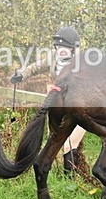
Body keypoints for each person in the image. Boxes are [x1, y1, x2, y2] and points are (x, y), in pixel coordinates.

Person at [10, 26, 85, 174]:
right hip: (59, 107)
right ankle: (63, 176)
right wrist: (22, 75)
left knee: (70, 144)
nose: (61, 50)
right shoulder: (53, 57)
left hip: (79, 108)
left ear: (73, 48)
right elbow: (35, 67)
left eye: (66, 47)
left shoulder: (81, 62)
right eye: (59, 46)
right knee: (54, 142)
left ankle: (70, 181)